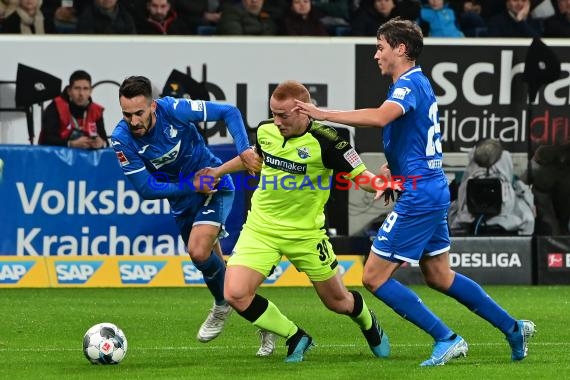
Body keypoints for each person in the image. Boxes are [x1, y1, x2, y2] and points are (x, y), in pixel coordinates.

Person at [293, 18, 535, 366]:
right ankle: (513, 328)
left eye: (380, 47)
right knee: (439, 275)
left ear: (400, 49)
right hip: (427, 187)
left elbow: (378, 118)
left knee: (373, 277)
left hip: (421, 193)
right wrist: (393, 169)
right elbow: (415, 138)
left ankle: (446, 338)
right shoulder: (413, 85)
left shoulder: (409, 85)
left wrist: (320, 113)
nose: (376, 55)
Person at [199, 80, 391, 363]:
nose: (276, 121)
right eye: (273, 113)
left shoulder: (329, 141)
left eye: (283, 115)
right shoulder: (266, 130)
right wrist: (216, 171)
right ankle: (295, 336)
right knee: (235, 293)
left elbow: (360, 175)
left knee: (337, 302)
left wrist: (379, 182)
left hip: (306, 233)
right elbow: (253, 160)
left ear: (303, 110)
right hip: (261, 228)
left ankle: (367, 321)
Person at [110, 75, 265, 348]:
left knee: (198, 251)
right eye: (127, 114)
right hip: (183, 198)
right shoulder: (122, 139)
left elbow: (229, 111)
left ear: (153, 106)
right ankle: (261, 315)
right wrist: (190, 185)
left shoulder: (174, 109)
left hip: (213, 183)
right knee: (211, 268)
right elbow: (146, 188)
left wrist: (244, 151)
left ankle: (221, 305)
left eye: (139, 113)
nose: (133, 121)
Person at [39, 70, 108, 149]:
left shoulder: (96, 110)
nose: (81, 93)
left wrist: (102, 143)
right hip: (56, 159)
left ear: (90, 91)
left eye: (85, 89)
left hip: (86, 160)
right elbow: (46, 140)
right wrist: (70, 144)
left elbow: (105, 142)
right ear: (69, 91)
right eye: (77, 88)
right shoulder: (55, 107)